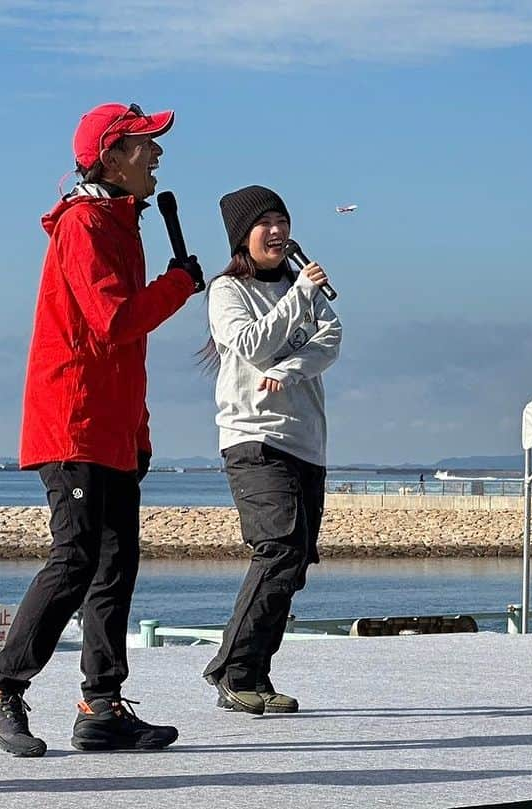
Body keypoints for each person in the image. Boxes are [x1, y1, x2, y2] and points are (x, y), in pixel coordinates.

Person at [0, 103, 204, 757]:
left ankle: (101, 707)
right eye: (146, 144)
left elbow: (124, 354)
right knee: (75, 558)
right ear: (112, 154)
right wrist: (177, 286)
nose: (157, 155)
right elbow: (113, 321)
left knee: (115, 564)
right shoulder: (84, 224)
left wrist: (140, 432)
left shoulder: (119, 223)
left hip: (110, 429)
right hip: (71, 423)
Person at [200, 185, 341, 715]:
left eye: (282, 220)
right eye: (265, 224)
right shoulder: (226, 292)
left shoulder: (301, 289)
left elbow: (331, 338)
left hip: (308, 441)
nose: (278, 231)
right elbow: (252, 344)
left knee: (296, 560)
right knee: (278, 548)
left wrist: (287, 368)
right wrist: (300, 295)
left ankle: (253, 673)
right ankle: (234, 672)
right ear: (243, 236)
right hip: (253, 437)